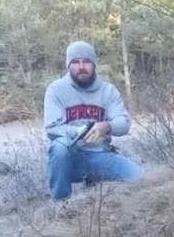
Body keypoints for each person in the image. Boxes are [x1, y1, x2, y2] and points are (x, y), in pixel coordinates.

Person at [43, 40, 143, 201]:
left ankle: (95, 183)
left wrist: (106, 126)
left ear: (94, 64)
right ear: (68, 65)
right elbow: (52, 128)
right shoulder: (56, 90)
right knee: (59, 148)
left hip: (101, 154)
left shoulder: (108, 90)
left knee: (141, 178)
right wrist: (79, 131)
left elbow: (124, 124)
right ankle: (60, 204)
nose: (81, 67)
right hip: (71, 156)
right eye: (75, 62)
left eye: (86, 62)